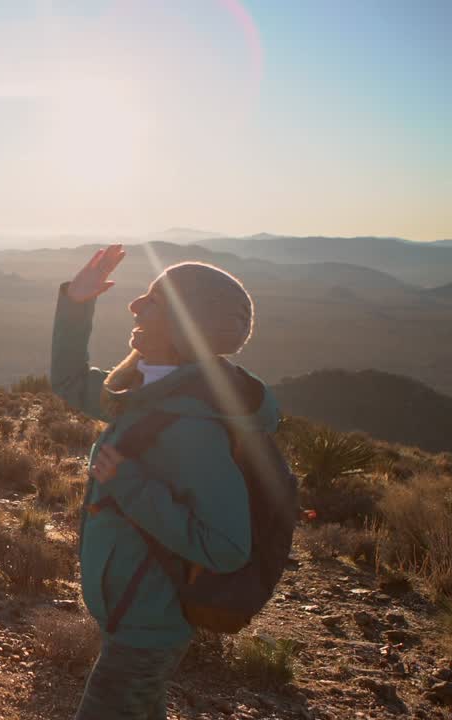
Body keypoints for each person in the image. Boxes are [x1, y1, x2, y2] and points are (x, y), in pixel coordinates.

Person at [50, 245, 280, 720]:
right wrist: (76, 304)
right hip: (129, 615)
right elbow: (70, 381)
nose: (135, 305)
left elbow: (226, 547)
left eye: (153, 300)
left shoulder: (192, 425)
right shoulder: (149, 392)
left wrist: (129, 485)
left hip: (148, 625)